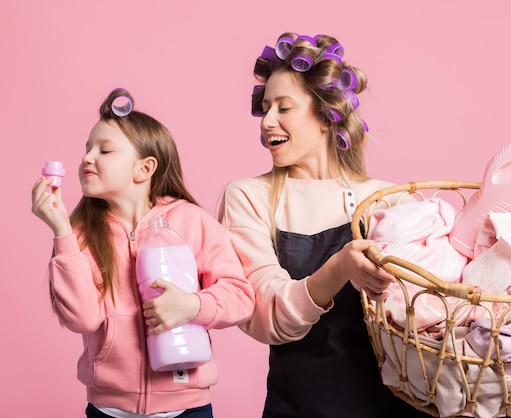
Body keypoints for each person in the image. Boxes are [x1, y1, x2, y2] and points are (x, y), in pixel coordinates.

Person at [219, 33, 431, 417]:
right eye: (265, 108)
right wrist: (340, 267)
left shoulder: (393, 199)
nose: (267, 122)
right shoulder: (249, 197)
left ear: (326, 115)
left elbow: (434, 312)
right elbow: (266, 317)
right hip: (300, 408)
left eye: (284, 108)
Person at [31, 88, 255, 418]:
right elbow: (82, 318)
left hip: (187, 407)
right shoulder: (78, 232)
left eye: (104, 150)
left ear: (144, 168)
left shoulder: (191, 221)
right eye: (87, 149)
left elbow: (240, 296)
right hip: (108, 409)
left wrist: (193, 305)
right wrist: (61, 231)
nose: (87, 157)